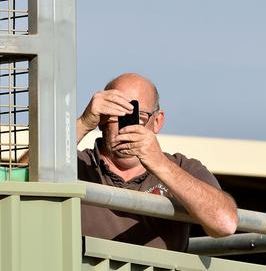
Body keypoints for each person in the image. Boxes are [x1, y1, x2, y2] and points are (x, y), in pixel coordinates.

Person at [77, 73, 238, 251]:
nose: (127, 126)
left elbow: (225, 224)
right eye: (116, 113)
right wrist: (83, 123)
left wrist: (159, 163)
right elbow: (41, 169)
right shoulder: (73, 163)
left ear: (157, 121)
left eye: (139, 115)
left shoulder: (181, 167)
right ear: (101, 119)